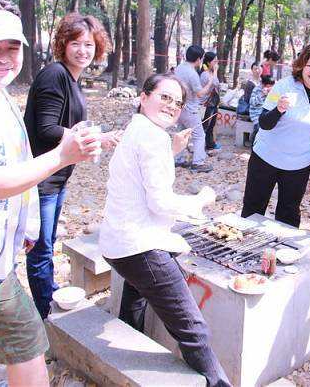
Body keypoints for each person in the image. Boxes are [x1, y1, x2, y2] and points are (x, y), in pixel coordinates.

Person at [0, 0, 100, 387]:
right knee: (29, 342)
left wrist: (27, 224)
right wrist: (63, 154)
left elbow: (17, 155)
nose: (3, 57)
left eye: (12, 47)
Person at [99, 73, 231, 387]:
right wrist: (201, 199)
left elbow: (141, 172)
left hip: (116, 244)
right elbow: (159, 202)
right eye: (165, 97)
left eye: (177, 102)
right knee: (194, 330)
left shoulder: (138, 129)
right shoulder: (153, 137)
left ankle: (125, 367)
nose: (172, 106)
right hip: (138, 247)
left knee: (135, 299)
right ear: (144, 97)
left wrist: (171, 150)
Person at [23, 12, 116, 319]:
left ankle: (47, 298)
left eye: (89, 44)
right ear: (63, 44)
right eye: (76, 43)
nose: (82, 50)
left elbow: (68, 128)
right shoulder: (55, 75)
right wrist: (92, 137)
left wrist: (98, 137)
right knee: (40, 249)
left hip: (57, 177)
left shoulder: (73, 80)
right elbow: (46, 129)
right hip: (41, 179)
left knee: (47, 243)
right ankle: (46, 314)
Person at [241, 42, 310, 227]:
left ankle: (282, 247)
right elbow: (264, 123)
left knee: (289, 216)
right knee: (252, 210)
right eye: (309, 65)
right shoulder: (283, 86)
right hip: (265, 158)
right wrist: (278, 109)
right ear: (301, 65)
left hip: (298, 166)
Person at [174, 44, 216, 172]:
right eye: (202, 58)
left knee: (182, 133)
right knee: (199, 135)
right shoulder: (192, 74)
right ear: (198, 59)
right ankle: (198, 163)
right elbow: (200, 93)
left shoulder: (179, 68)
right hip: (190, 109)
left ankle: (178, 159)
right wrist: (210, 81)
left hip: (179, 106)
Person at [198, 52, 222, 150]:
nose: (216, 63)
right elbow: (215, 83)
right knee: (205, 126)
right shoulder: (205, 74)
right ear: (208, 62)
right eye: (214, 61)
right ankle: (200, 148)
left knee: (211, 125)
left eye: (217, 61)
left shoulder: (210, 72)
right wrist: (216, 71)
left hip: (213, 103)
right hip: (206, 104)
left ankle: (210, 144)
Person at [248, 74, 275, 143]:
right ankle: (253, 141)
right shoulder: (257, 89)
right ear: (263, 85)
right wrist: (262, 95)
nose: (270, 88)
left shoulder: (273, 90)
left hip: (267, 113)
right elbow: (252, 102)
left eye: (271, 86)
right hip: (256, 113)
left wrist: (270, 94)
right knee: (259, 127)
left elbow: (275, 100)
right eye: (268, 86)